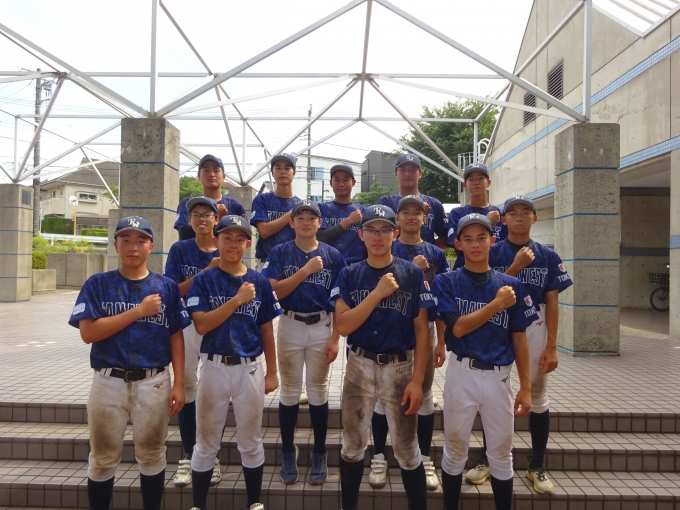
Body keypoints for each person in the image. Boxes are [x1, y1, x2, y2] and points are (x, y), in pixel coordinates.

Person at [68, 216, 189, 510]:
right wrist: (138, 311)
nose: (133, 247)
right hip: (108, 381)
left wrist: (180, 383)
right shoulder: (98, 284)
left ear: (151, 246)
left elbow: (176, 336)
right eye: (126, 240)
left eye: (140, 240)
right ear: (116, 245)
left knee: (152, 453)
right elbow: (88, 333)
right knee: (102, 457)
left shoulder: (166, 287)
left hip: (153, 381)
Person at [464, 195, 572, 494]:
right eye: (513, 213)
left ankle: (537, 464)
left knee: (537, 395)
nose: (520, 217)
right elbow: (486, 292)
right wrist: (516, 265)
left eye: (526, 212)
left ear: (534, 218)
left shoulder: (547, 254)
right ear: (504, 219)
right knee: (493, 393)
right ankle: (488, 458)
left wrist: (552, 345)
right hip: (497, 323)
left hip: (534, 323)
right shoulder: (492, 249)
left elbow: (552, 302)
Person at [331, 205, 435, 510]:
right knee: (352, 446)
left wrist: (418, 380)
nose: (378, 237)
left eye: (384, 230)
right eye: (371, 230)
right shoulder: (349, 273)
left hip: (400, 368)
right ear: (361, 235)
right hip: (359, 366)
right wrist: (377, 293)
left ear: (395, 234)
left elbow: (422, 329)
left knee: (407, 450)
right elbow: (343, 326)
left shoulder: (411, 273)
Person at [432, 213, 536, 510]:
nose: (475, 244)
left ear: (492, 241)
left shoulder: (511, 285)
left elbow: (519, 337)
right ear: (458, 244)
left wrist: (526, 387)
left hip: (498, 377)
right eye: (468, 239)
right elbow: (457, 328)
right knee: (455, 450)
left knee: (501, 453)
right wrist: (496, 304)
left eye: (481, 238)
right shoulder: (447, 281)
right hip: (461, 372)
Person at [185, 215, 281, 510]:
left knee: (250, 440)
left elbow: (266, 328)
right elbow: (201, 324)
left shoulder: (259, 281)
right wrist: (237, 300)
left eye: (240, 239)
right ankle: (198, 505)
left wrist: (273, 371)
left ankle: (254, 502)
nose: (233, 244)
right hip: (213, 366)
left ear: (248, 244)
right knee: (206, 442)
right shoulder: (204, 279)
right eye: (227, 237)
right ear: (216, 241)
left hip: (249, 367)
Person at [262, 200, 346, 485]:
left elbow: (340, 299)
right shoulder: (281, 252)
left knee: (318, 390)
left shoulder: (332, 255)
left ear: (320, 223)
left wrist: (335, 337)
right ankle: (288, 451)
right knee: (289, 391)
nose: (306, 222)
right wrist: (305, 271)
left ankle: (319, 452)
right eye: (301, 217)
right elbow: (274, 290)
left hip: (322, 325)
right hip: (290, 323)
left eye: (312, 218)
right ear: (292, 222)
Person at [368, 195, 449, 491]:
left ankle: (424, 457)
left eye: (417, 212)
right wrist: (410, 270)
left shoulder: (436, 253)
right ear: (397, 220)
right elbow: (378, 290)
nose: (412, 216)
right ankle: (379, 455)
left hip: (424, 329)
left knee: (424, 395)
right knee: (382, 395)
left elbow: (442, 299)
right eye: (406, 212)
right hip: (390, 328)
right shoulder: (388, 246)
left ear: (425, 219)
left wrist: (441, 341)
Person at [164, 197, 222, 487]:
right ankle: (188, 455)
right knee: (187, 387)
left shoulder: (226, 245)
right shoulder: (180, 250)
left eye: (207, 214)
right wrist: (206, 272)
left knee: (213, 391)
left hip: (217, 326)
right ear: (189, 220)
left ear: (216, 219)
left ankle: (211, 457)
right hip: (186, 323)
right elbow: (171, 290)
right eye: (196, 214)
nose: (202, 219)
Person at [378, 154, 448, 249]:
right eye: (402, 170)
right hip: (393, 257)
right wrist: (420, 215)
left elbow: (446, 238)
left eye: (412, 170)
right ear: (396, 174)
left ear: (420, 173)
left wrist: (429, 249)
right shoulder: (386, 203)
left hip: (426, 258)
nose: (407, 174)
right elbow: (380, 234)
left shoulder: (434, 204)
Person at [448, 162, 507, 269]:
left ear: (488, 183)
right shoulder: (457, 213)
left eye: (480, 178)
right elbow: (456, 243)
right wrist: (487, 221)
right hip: (463, 271)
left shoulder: (499, 213)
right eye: (471, 179)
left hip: (494, 272)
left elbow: (506, 245)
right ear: (464, 185)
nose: (476, 182)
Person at [174, 154, 246, 241]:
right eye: (206, 170)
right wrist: (217, 219)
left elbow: (241, 238)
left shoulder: (235, 206)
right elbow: (184, 234)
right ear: (199, 175)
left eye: (216, 170)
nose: (211, 174)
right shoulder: (187, 203)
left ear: (224, 176)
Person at [250, 153, 300, 272]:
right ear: (272, 173)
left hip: (293, 262)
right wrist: (291, 214)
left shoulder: (301, 205)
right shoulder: (262, 199)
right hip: (267, 261)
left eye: (287, 168)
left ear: (294, 173)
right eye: (278, 168)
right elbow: (264, 231)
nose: (282, 171)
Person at [316, 164, 366, 264]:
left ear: (353, 182)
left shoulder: (363, 210)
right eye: (337, 180)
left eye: (346, 180)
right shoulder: (322, 208)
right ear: (331, 183)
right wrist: (348, 221)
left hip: (356, 266)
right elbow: (321, 237)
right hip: (329, 265)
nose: (341, 184)